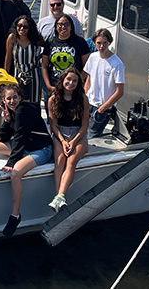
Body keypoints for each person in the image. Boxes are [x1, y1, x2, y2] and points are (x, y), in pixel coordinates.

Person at [0, 84, 53, 236]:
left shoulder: (23, 111)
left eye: (15, 97)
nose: (12, 101)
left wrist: (11, 162)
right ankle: (18, 159)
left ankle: (15, 215)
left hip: (41, 150)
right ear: (4, 100)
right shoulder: (13, 112)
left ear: (20, 98)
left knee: (15, 174)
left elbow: (20, 139)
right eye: (9, 98)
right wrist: (7, 120)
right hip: (25, 147)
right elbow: (3, 138)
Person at [47, 68, 89, 212]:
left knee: (71, 160)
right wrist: (64, 141)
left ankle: (59, 196)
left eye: (75, 81)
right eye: (68, 79)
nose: (71, 83)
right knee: (60, 160)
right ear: (62, 80)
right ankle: (60, 198)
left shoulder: (83, 98)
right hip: (60, 134)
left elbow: (85, 125)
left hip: (78, 134)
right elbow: (53, 125)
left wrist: (73, 141)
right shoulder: (52, 99)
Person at [84, 28, 125, 138]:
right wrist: (83, 96)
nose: (101, 46)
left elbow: (120, 91)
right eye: (99, 43)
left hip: (102, 108)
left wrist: (103, 108)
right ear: (94, 43)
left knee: (92, 137)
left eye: (104, 43)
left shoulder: (117, 64)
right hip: (88, 103)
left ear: (109, 43)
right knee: (82, 132)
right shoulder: (92, 57)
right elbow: (89, 79)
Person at [42, 14, 91, 90]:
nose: (63, 27)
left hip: (73, 86)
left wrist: (77, 82)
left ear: (71, 27)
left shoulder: (80, 42)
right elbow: (44, 66)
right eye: (60, 24)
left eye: (66, 24)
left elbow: (87, 66)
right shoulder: (50, 42)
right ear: (56, 27)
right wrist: (48, 86)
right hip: (55, 85)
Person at [4, 15, 44, 102]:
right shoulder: (12, 38)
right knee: (17, 100)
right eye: (19, 26)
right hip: (18, 73)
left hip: (34, 74)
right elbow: (8, 57)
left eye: (25, 27)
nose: (22, 29)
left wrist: (39, 57)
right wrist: (6, 75)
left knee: (34, 101)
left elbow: (47, 48)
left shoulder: (35, 39)